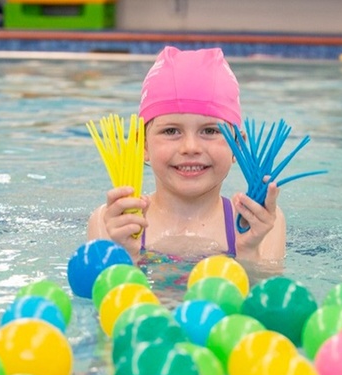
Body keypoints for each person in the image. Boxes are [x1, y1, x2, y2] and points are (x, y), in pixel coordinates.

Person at [86, 46, 286, 264]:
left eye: (210, 131)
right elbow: (107, 296)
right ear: (141, 145)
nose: (190, 147)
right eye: (171, 131)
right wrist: (126, 255)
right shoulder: (111, 222)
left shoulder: (260, 222)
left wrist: (248, 252)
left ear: (237, 145)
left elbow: (263, 296)